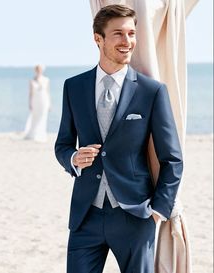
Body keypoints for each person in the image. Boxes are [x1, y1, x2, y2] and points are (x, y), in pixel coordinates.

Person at [55, 4, 183, 273]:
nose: (128, 42)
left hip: (135, 216)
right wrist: (74, 158)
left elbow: (172, 158)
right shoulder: (74, 87)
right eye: (118, 34)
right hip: (85, 216)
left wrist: (158, 210)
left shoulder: (152, 91)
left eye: (132, 34)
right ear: (98, 39)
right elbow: (63, 145)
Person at [24, 65, 51, 142]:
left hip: (44, 100)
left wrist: (49, 104)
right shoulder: (32, 80)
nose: (38, 71)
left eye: (40, 69)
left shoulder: (46, 79)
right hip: (35, 101)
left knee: (43, 117)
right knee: (35, 117)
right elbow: (30, 93)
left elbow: (48, 92)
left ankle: (41, 134)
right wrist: (29, 103)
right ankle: (33, 134)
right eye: (37, 69)